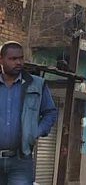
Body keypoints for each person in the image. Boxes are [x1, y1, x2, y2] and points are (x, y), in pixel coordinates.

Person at [0, 41, 58, 185]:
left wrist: (36, 130)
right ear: (1, 59)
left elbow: (50, 112)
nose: (18, 62)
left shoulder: (37, 84)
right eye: (13, 59)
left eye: (21, 58)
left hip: (21, 160)